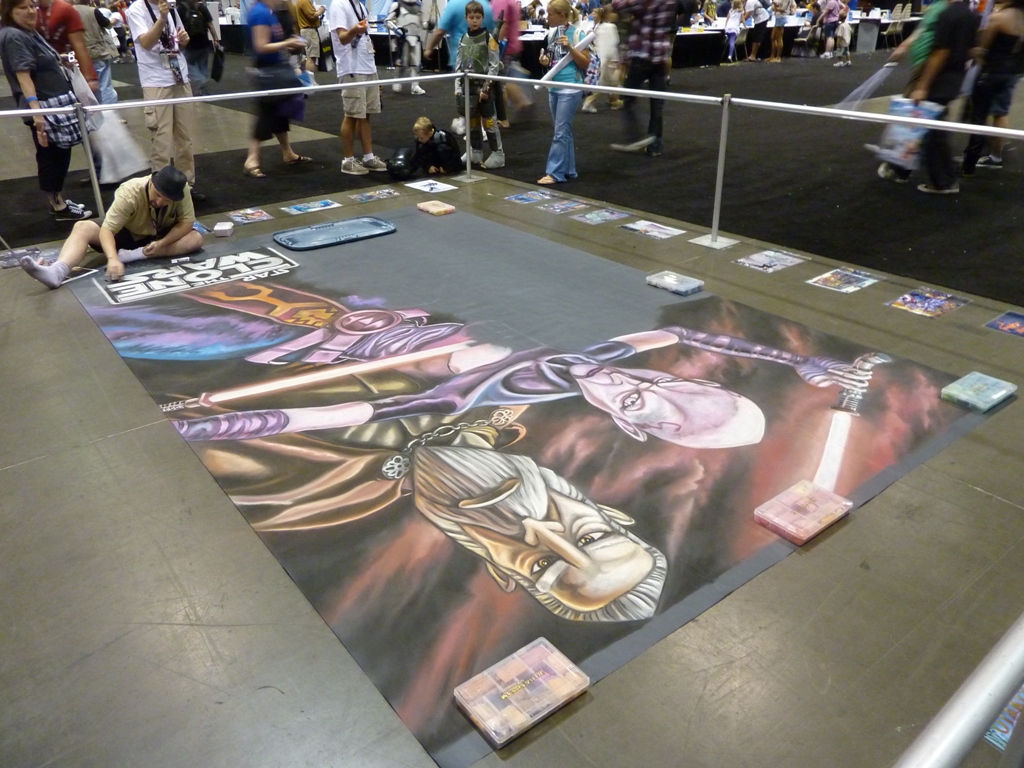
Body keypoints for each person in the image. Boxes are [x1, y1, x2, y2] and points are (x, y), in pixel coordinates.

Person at [19, 165, 202, 288]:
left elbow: (186, 223)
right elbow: (107, 230)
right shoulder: (130, 192)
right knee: (83, 227)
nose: (160, 202)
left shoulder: (182, 190)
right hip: (128, 233)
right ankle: (57, 271)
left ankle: (133, 255)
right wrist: (113, 258)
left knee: (195, 239)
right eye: (158, 195)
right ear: (152, 183)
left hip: (160, 235)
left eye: (167, 200)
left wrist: (162, 243)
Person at [0, 0, 93, 221]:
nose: (31, 11)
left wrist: (59, 59)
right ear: (10, 11)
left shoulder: (27, 32)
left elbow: (38, 60)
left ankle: (58, 200)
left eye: (32, 6)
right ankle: (58, 206)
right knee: (52, 157)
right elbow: (23, 75)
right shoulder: (14, 36)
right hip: (45, 107)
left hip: (54, 105)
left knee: (58, 155)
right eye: (23, 7)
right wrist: (37, 112)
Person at [879, 0, 978, 193]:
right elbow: (971, 49)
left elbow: (941, 51)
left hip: (939, 78)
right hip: (954, 77)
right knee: (930, 127)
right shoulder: (968, 14)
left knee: (927, 128)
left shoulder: (948, 14)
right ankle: (905, 170)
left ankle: (940, 180)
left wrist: (923, 85)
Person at [126, 0, 202, 198]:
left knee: (185, 138)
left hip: (179, 77)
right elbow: (146, 42)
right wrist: (161, 18)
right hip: (156, 81)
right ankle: (161, 190)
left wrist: (184, 39)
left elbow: (180, 40)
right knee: (161, 140)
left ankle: (186, 186)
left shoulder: (171, 7)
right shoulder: (137, 10)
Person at [243, 0, 311, 177]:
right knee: (266, 112)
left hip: (274, 69)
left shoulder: (266, 12)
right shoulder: (260, 13)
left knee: (279, 110)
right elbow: (261, 46)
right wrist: (288, 43)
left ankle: (287, 152)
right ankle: (252, 158)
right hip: (267, 73)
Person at [610, 0, 685, 156]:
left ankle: (635, 137)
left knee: (628, 97)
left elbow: (618, 4)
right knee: (657, 103)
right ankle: (655, 146)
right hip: (661, 56)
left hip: (642, 56)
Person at [961, 0, 1024, 173]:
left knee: (979, 116)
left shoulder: (999, 17)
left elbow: (983, 48)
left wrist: (975, 54)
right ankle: (996, 156)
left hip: (991, 72)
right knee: (1001, 113)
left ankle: (969, 163)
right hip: (1012, 72)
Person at [330, 0, 389, 175]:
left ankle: (368, 157)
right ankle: (348, 160)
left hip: (368, 66)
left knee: (366, 115)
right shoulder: (339, 5)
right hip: (352, 68)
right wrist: (354, 30)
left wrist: (374, 71)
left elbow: (366, 39)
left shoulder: (360, 6)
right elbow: (342, 38)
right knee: (352, 115)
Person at [535, 0, 589, 183]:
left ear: (562, 15)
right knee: (563, 130)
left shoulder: (578, 33)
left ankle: (555, 173)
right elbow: (553, 61)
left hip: (571, 87)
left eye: (550, 14)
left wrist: (570, 47)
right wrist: (545, 61)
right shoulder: (551, 34)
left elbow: (586, 63)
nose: (547, 17)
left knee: (560, 132)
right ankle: (568, 170)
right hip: (554, 87)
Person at [454, 1, 506, 168]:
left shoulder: (489, 38)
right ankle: (475, 151)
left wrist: (486, 88)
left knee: (489, 122)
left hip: (484, 87)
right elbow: (459, 65)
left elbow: (494, 66)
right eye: (471, 17)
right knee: (472, 122)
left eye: (477, 17)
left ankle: (497, 153)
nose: (474, 20)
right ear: (466, 18)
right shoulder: (463, 38)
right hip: (467, 87)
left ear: (482, 18)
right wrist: (457, 87)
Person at [36, 0, 99, 91]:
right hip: (39, 68)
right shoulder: (32, 9)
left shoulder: (64, 9)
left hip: (65, 67)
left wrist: (89, 77)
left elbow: (79, 44)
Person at [74, 0, 119, 104]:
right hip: (97, 52)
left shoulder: (69, 11)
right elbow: (107, 24)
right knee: (104, 85)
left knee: (84, 87)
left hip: (78, 54)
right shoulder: (93, 11)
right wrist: (113, 21)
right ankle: (108, 111)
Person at [582, 4, 623, 111]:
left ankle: (614, 101)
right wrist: (614, 60)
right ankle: (589, 102)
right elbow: (610, 46)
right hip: (606, 60)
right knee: (602, 82)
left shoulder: (599, 26)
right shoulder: (610, 27)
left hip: (600, 58)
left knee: (613, 82)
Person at [179, 0, 218, 95]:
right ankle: (203, 91)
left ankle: (201, 81)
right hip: (203, 44)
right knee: (203, 67)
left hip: (189, 45)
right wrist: (215, 39)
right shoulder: (202, 7)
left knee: (189, 65)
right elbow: (210, 25)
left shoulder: (181, 8)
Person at [389, 0, 427, 93]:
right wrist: (396, 29)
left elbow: (422, 23)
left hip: (416, 37)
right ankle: (397, 81)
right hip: (403, 38)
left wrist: (428, 25)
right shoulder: (397, 5)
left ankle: (415, 85)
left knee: (416, 63)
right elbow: (387, 21)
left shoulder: (419, 6)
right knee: (402, 62)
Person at [295, 0, 325, 75]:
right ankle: (310, 79)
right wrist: (321, 10)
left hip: (307, 31)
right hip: (309, 31)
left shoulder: (300, 1)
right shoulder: (305, 1)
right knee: (312, 57)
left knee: (310, 56)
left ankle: (309, 77)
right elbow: (312, 15)